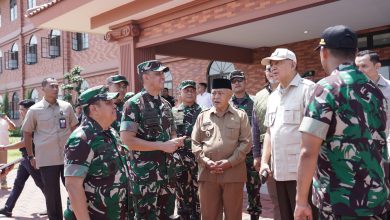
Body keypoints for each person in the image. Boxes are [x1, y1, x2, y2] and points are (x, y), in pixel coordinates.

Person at [295, 25, 390, 219]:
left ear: (324, 52)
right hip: (376, 200)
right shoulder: (376, 92)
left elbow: (308, 151)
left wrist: (301, 202)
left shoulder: (325, 89)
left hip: (339, 202)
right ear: (355, 53)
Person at [120, 60, 186, 219]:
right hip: (146, 178)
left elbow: (172, 134)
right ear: (145, 77)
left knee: (167, 216)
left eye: (163, 73)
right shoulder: (134, 104)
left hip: (168, 175)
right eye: (157, 74)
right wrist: (163, 146)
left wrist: (175, 142)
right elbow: (127, 140)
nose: (162, 77)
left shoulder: (166, 105)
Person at [259, 48, 317, 220]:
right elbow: (270, 131)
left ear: (293, 64)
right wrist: (264, 162)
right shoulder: (273, 96)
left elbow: (316, 134)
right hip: (278, 172)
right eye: (271, 64)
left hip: (301, 174)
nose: (273, 67)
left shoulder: (308, 89)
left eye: (278, 62)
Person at [64, 85, 131, 219]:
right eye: (108, 103)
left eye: (113, 102)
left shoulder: (110, 132)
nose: (114, 106)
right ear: (93, 109)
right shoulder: (82, 138)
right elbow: (73, 186)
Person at [192, 78, 252, 220]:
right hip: (208, 173)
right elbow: (195, 142)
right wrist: (205, 161)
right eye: (213, 93)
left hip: (233, 173)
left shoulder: (240, 116)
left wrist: (229, 162)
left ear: (230, 95)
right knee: (209, 215)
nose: (216, 97)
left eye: (220, 93)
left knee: (233, 215)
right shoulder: (202, 116)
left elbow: (246, 143)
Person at [21, 77, 78, 220]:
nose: (55, 88)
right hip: (47, 158)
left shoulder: (66, 107)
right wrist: (30, 156)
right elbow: (27, 134)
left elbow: (75, 129)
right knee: (52, 194)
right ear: (43, 89)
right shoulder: (34, 110)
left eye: (57, 86)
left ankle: (77, 216)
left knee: (75, 189)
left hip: (67, 157)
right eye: (51, 86)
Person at [0, 99, 45, 217]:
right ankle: (8, 208)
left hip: (31, 158)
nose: (20, 112)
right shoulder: (28, 121)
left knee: (41, 184)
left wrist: (5, 147)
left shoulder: (33, 122)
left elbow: (25, 142)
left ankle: (53, 207)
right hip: (25, 158)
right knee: (18, 183)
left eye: (22, 109)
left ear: (29, 110)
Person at [229, 70, 262, 220]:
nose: (237, 83)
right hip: (233, 155)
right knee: (233, 191)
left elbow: (261, 128)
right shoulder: (226, 105)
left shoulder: (255, 103)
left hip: (251, 155)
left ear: (245, 82)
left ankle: (254, 216)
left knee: (254, 190)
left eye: (239, 80)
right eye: (234, 81)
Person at [252, 65, 281, 220]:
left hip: (290, 151)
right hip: (267, 153)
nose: (271, 72)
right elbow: (255, 128)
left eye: (274, 68)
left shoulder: (291, 91)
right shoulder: (259, 96)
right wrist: (257, 155)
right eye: (268, 69)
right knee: (275, 198)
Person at [172, 80, 202, 219]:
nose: (189, 93)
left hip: (198, 158)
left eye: (192, 90)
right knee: (181, 191)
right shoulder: (173, 112)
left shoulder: (203, 112)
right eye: (186, 90)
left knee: (199, 192)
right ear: (180, 93)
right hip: (180, 160)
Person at [355, 50, 390, 150]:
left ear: (377, 66)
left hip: (386, 145)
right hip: (361, 147)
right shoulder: (351, 90)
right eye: (357, 67)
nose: (359, 70)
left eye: (364, 66)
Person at [0, 109, 16, 189]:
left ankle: (3, 184)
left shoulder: (5, 119)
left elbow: (13, 128)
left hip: (4, 146)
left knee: (3, 165)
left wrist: (7, 119)